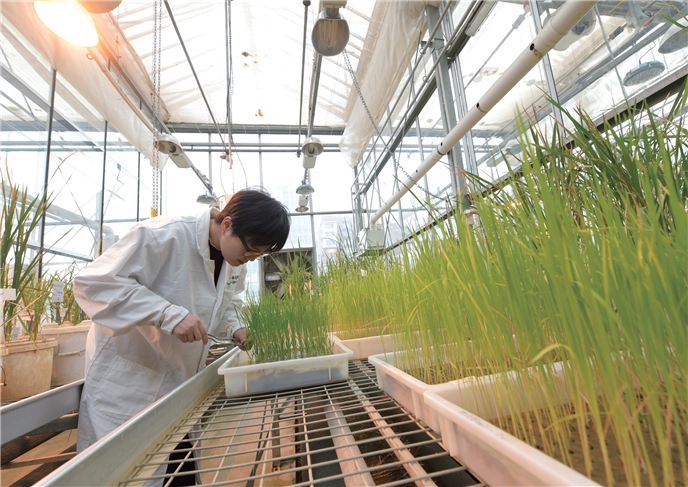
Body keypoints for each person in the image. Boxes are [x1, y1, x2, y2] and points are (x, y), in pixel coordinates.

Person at [73, 188, 290, 485]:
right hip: (131, 385)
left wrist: (236, 327)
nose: (251, 259)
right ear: (227, 224)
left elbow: (227, 302)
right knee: (123, 475)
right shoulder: (163, 235)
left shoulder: (233, 259)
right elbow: (94, 284)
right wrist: (166, 314)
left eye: (259, 254)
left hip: (180, 386)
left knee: (177, 472)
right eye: (251, 249)